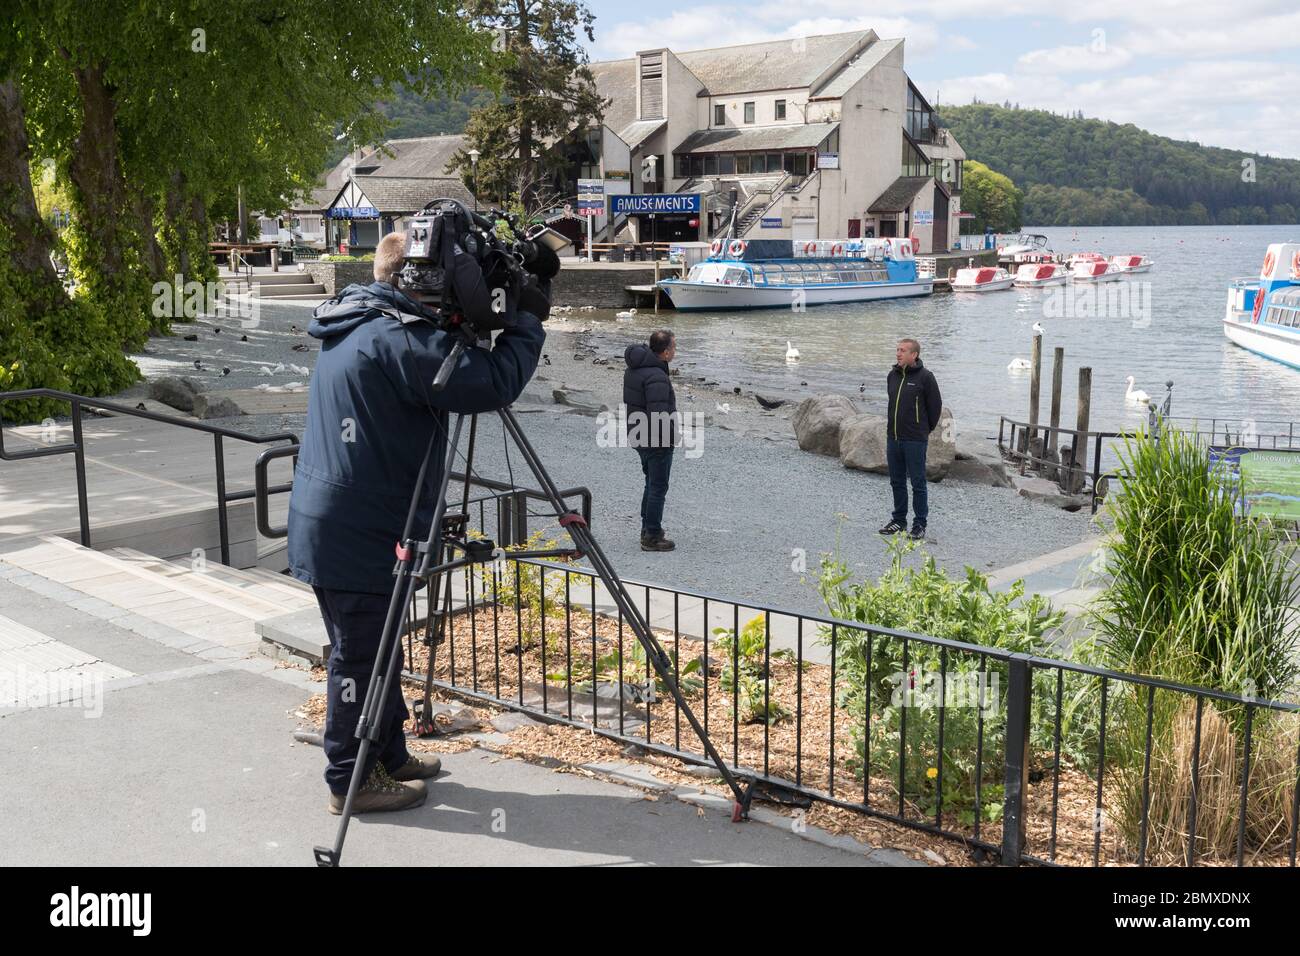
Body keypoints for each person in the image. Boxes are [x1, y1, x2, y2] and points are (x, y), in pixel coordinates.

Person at [287, 230, 548, 814]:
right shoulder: (400, 340)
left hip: (338, 521)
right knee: (359, 656)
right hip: (362, 531)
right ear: (430, 281)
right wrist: (528, 321)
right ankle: (349, 779)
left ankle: (388, 751)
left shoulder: (360, 319)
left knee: (377, 648)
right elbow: (493, 382)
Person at [879, 337, 942, 540]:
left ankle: (920, 524)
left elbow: (935, 408)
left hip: (915, 439)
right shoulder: (892, 376)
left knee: (918, 483)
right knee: (896, 481)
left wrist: (922, 430)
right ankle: (899, 520)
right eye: (897, 349)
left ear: (914, 354)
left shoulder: (926, 378)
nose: (898, 353)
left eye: (903, 350)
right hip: (893, 437)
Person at [623, 329, 678, 552]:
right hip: (655, 440)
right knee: (658, 487)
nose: (675, 351)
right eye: (674, 347)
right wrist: (669, 440)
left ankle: (648, 527)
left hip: (638, 434)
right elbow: (658, 415)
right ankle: (652, 536)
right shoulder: (657, 376)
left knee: (650, 483)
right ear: (665, 352)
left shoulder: (635, 368)